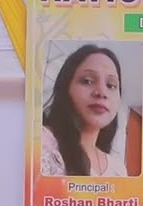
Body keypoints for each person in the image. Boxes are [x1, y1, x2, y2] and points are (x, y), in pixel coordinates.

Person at [41, 43, 127, 177]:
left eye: (111, 85)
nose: (101, 92)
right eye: (87, 81)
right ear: (65, 87)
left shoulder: (119, 170)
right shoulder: (42, 142)